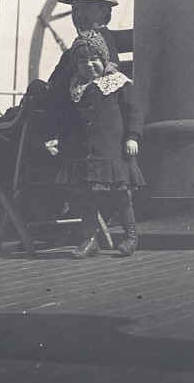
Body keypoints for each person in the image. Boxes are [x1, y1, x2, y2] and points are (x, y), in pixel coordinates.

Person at [46, 30, 145, 258]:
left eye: (94, 60)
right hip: (82, 154)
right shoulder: (76, 87)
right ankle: (90, 239)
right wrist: (56, 138)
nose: (89, 65)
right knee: (84, 196)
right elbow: (66, 118)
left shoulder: (118, 84)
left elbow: (134, 112)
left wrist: (132, 136)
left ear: (104, 59)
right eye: (82, 61)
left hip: (112, 153)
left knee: (120, 195)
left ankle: (130, 237)